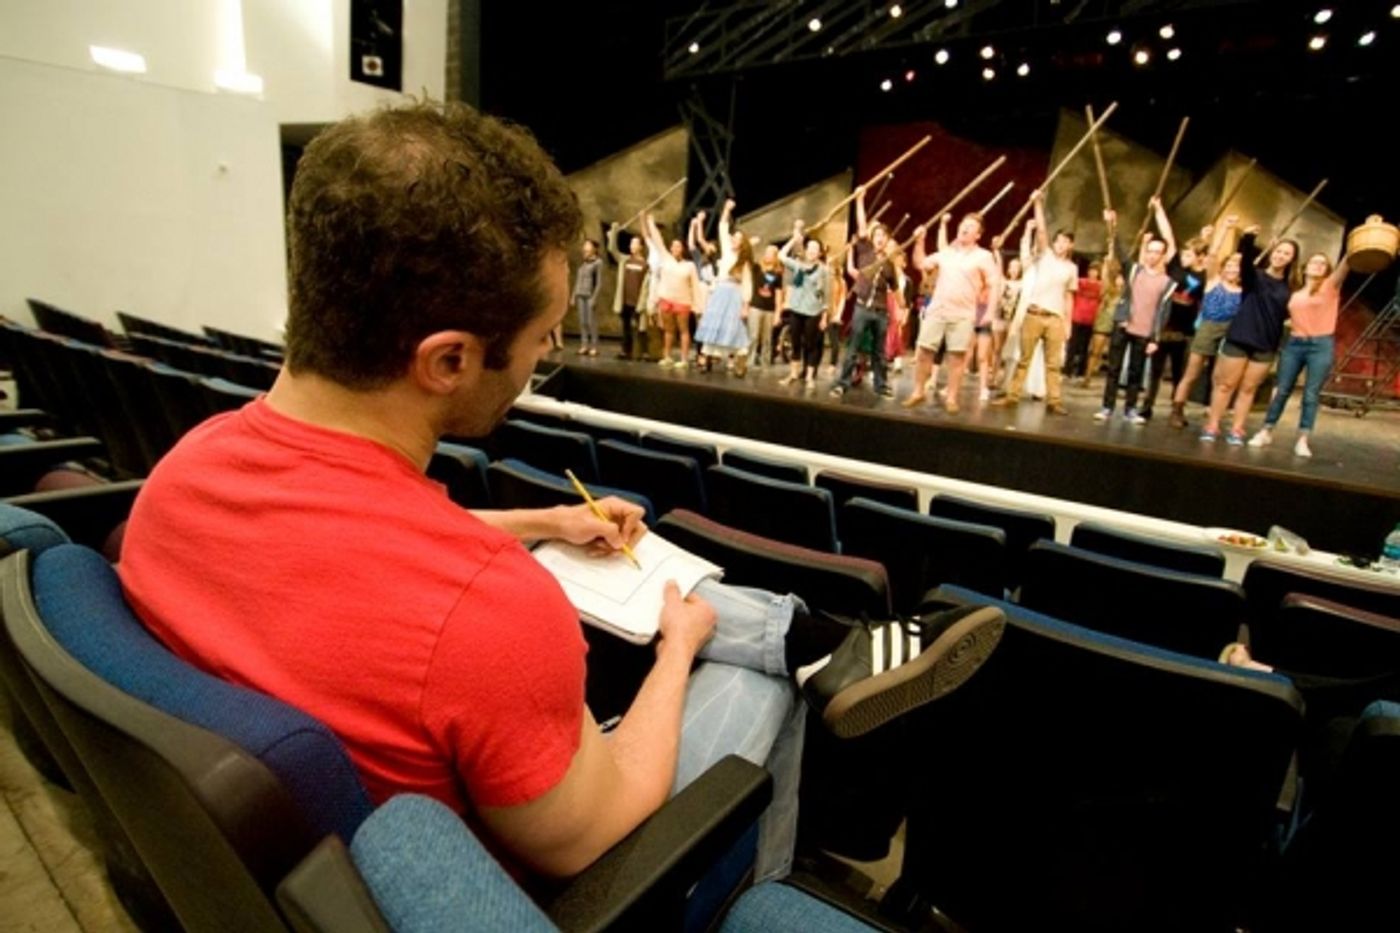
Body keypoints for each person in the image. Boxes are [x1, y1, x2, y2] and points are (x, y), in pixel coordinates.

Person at [116, 100, 1008, 885]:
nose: (544, 361)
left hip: (320, 874)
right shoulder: (488, 609)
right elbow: (593, 834)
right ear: (450, 358)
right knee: (750, 683)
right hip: (543, 893)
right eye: (543, 336)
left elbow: (359, 546)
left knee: (727, 641)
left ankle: (817, 646)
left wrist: (545, 519)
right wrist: (675, 653)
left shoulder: (183, 474)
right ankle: (750, 876)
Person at [1199, 227, 1298, 444]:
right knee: (1225, 385)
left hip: (1266, 343)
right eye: (1279, 251)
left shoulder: (1289, 288)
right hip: (1240, 336)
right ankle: (1213, 424)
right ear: (1272, 252)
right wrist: (1249, 238)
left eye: (1287, 253)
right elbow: (1245, 263)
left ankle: (1237, 428)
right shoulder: (1255, 276)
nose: (1281, 256)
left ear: (1292, 259)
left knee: (1249, 388)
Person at [1248, 247, 1350, 457]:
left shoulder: (1330, 286)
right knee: (1282, 389)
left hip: (1320, 345)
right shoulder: (1294, 292)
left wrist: (1352, 247)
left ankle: (1303, 439)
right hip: (1294, 343)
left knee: (1310, 394)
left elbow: (1345, 266)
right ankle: (1266, 430)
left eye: (1323, 264)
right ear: (1305, 268)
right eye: (1314, 262)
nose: (1318, 266)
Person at [904, 210, 1002, 414]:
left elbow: (994, 284)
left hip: (963, 314)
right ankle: (918, 391)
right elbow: (921, 263)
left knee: (957, 357)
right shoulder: (947, 252)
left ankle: (951, 397)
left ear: (978, 235)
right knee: (923, 351)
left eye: (971, 227)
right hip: (937, 310)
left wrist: (990, 311)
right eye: (963, 224)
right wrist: (919, 241)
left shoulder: (983, 256)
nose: (964, 228)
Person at [1095, 198, 1178, 424]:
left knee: (1135, 372)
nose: (1152, 255)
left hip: (1144, 332)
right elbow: (1121, 252)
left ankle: (1130, 409)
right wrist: (1112, 225)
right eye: (1149, 251)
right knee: (1113, 369)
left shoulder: (1167, 283)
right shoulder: (1134, 271)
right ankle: (1107, 407)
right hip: (1124, 325)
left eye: (1157, 252)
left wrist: (1156, 339)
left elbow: (1163, 313)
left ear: (1163, 255)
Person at [992, 191, 1075, 415]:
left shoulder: (1071, 269)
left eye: (1065, 242)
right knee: (1024, 359)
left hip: (1055, 318)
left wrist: (1068, 322)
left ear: (1069, 246)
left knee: (1053, 362)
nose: (1060, 245)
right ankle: (1012, 395)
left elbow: (1069, 296)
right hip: (1034, 314)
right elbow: (1041, 231)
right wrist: (1038, 203)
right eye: (1058, 241)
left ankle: (1054, 400)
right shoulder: (1045, 255)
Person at [1168, 216, 1244, 425]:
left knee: (1219, 378)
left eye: (1235, 267)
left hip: (1229, 332)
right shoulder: (1213, 280)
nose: (1231, 270)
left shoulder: (1242, 290)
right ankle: (1177, 410)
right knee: (1191, 373)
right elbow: (1212, 255)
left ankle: (1214, 413)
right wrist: (1225, 230)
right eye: (1228, 266)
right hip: (1208, 327)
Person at [831, 185, 900, 400]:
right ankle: (842, 383)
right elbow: (862, 226)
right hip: (862, 308)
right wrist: (860, 200)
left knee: (879, 353)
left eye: (883, 236)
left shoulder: (889, 264)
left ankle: (881, 385)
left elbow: (896, 289)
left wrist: (902, 312)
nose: (879, 238)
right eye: (877, 234)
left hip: (880, 312)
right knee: (852, 349)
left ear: (887, 240)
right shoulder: (865, 250)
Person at [694, 199, 754, 374]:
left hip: (734, 295)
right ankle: (705, 357)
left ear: (743, 244)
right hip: (720, 292)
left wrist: (745, 305)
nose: (734, 240)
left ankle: (740, 358)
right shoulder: (727, 251)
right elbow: (722, 227)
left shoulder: (744, 263)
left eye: (738, 239)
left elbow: (747, 285)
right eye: (733, 237)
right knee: (712, 323)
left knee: (733, 327)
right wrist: (726, 209)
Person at [641, 209, 700, 369]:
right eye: (673, 246)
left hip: (683, 302)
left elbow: (695, 286)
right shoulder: (665, 258)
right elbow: (657, 240)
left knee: (683, 330)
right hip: (666, 299)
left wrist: (697, 305)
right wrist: (650, 222)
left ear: (682, 249)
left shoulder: (689, 265)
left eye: (678, 246)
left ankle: (684, 359)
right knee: (668, 330)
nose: (675, 248)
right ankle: (667, 356)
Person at [778, 220, 830, 388]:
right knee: (795, 343)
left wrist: (824, 317)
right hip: (796, 309)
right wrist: (794, 239)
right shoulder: (798, 265)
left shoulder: (824, 270)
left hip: (813, 312)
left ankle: (809, 377)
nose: (812, 251)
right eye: (810, 248)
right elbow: (781, 255)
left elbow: (826, 296)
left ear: (820, 253)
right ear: (806, 250)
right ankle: (793, 374)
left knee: (811, 344)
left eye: (816, 249)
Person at [606, 221, 650, 360]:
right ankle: (626, 351)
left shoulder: (645, 264)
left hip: (638, 302)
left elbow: (646, 286)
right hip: (625, 300)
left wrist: (642, 303)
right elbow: (612, 249)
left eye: (635, 243)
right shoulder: (624, 260)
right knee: (626, 328)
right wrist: (614, 232)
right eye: (631, 243)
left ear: (641, 247)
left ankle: (644, 352)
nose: (632, 246)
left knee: (641, 329)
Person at [1065, 261, 1103, 379]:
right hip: (1077, 316)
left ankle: (1081, 371)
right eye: (1091, 270)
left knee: (1085, 347)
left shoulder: (1100, 286)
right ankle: (1068, 370)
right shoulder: (1081, 282)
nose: (1093, 273)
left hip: (1090, 319)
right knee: (1072, 345)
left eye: (1095, 271)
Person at [749, 244, 784, 368]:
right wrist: (751, 245)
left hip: (769, 309)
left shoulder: (778, 274)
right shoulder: (757, 268)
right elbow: (748, 257)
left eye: (770, 253)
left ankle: (765, 362)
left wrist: (778, 313)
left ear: (775, 257)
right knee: (753, 336)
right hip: (755, 306)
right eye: (766, 252)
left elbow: (779, 294)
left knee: (767, 338)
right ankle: (750, 361)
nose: (767, 255)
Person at [572, 238, 603, 356]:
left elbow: (599, 282)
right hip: (580, 294)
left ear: (594, 248)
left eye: (588, 245)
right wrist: (573, 295)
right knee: (582, 321)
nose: (585, 247)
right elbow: (578, 280)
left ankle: (594, 346)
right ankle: (584, 345)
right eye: (585, 245)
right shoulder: (584, 262)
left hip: (590, 295)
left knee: (591, 322)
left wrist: (594, 298)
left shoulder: (598, 263)